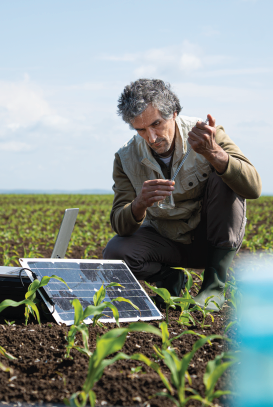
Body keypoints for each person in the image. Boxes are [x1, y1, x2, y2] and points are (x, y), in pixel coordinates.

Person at [102, 79, 262, 310]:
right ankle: (170, 279)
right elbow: (120, 224)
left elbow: (253, 187)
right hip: (167, 242)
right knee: (116, 252)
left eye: (157, 124)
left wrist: (214, 153)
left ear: (174, 113)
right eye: (141, 130)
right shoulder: (125, 158)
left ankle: (213, 286)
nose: (152, 137)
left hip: (210, 240)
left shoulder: (208, 135)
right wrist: (139, 204)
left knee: (224, 172)